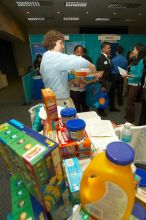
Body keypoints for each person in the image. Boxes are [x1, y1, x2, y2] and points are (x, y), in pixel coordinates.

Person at [40, 30, 96, 108]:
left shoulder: (47, 57)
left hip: (54, 98)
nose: (63, 46)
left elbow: (56, 78)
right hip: (59, 101)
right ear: (53, 42)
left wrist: (69, 82)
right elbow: (74, 60)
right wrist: (90, 64)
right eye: (61, 43)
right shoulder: (52, 56)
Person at [125, 43, 145, 123]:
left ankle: (131, 118)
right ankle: (128, 115)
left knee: (131, 101)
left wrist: (128, 76)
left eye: (134, 49)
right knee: (128, 101)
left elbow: (139, 76)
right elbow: (132, 71)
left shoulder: (141, 61)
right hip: (130, 83)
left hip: (135, 84)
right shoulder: (134, 59)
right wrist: (127, 74)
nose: (133, 51)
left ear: (139, 51)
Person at [69, 45, 93, 112]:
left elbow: (89, 76)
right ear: (74, 52)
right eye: (77, 52)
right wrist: (75, 78)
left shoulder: (85, 63)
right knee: (76, 109)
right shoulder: (70, 64)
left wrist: (92, 77)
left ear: (83, 53)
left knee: (85, 108)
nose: (79, 54)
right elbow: (68, 78)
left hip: (84, 90)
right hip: (74, 91)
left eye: (81, 52)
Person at [96, 42, 112, 116]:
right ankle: (100, 111)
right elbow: (100, 73)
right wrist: (102, 85)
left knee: (104, 96)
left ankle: (102, 108)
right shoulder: (100, 58)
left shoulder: (108, 57)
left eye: (110, 48)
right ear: (103, 49)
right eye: (108, 48)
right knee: (102, 96)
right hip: (103, 82)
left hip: (108, 80)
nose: (110, 49)